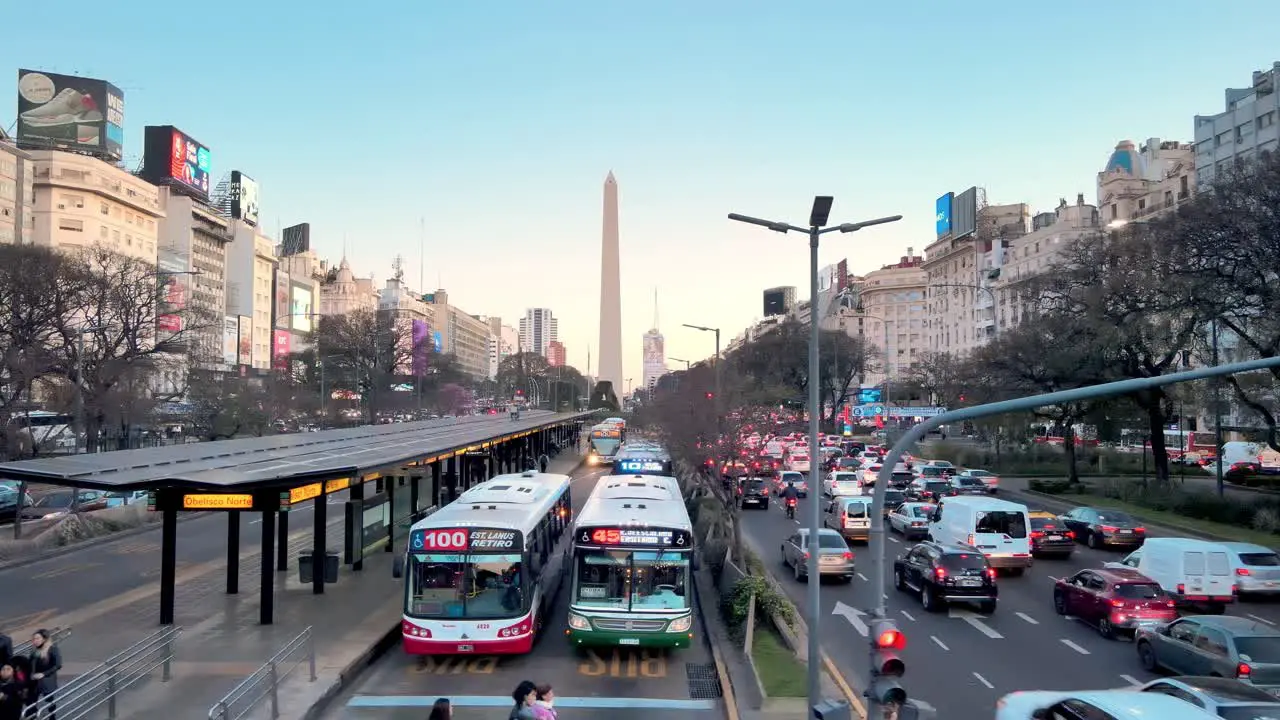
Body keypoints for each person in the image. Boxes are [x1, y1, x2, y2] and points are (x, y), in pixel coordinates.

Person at [27, 630, 60, 720]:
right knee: (32, 701)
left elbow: (57, 665)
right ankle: (33, 716)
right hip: (34, 681)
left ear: (44, 639)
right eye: (33, 639)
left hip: (46, 680)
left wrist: (43, 674)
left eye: (37, 638)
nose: (35, 641)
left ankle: (52, 717)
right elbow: (30, 664)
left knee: (49, 700)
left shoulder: (52, 649)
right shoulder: (34, 651)